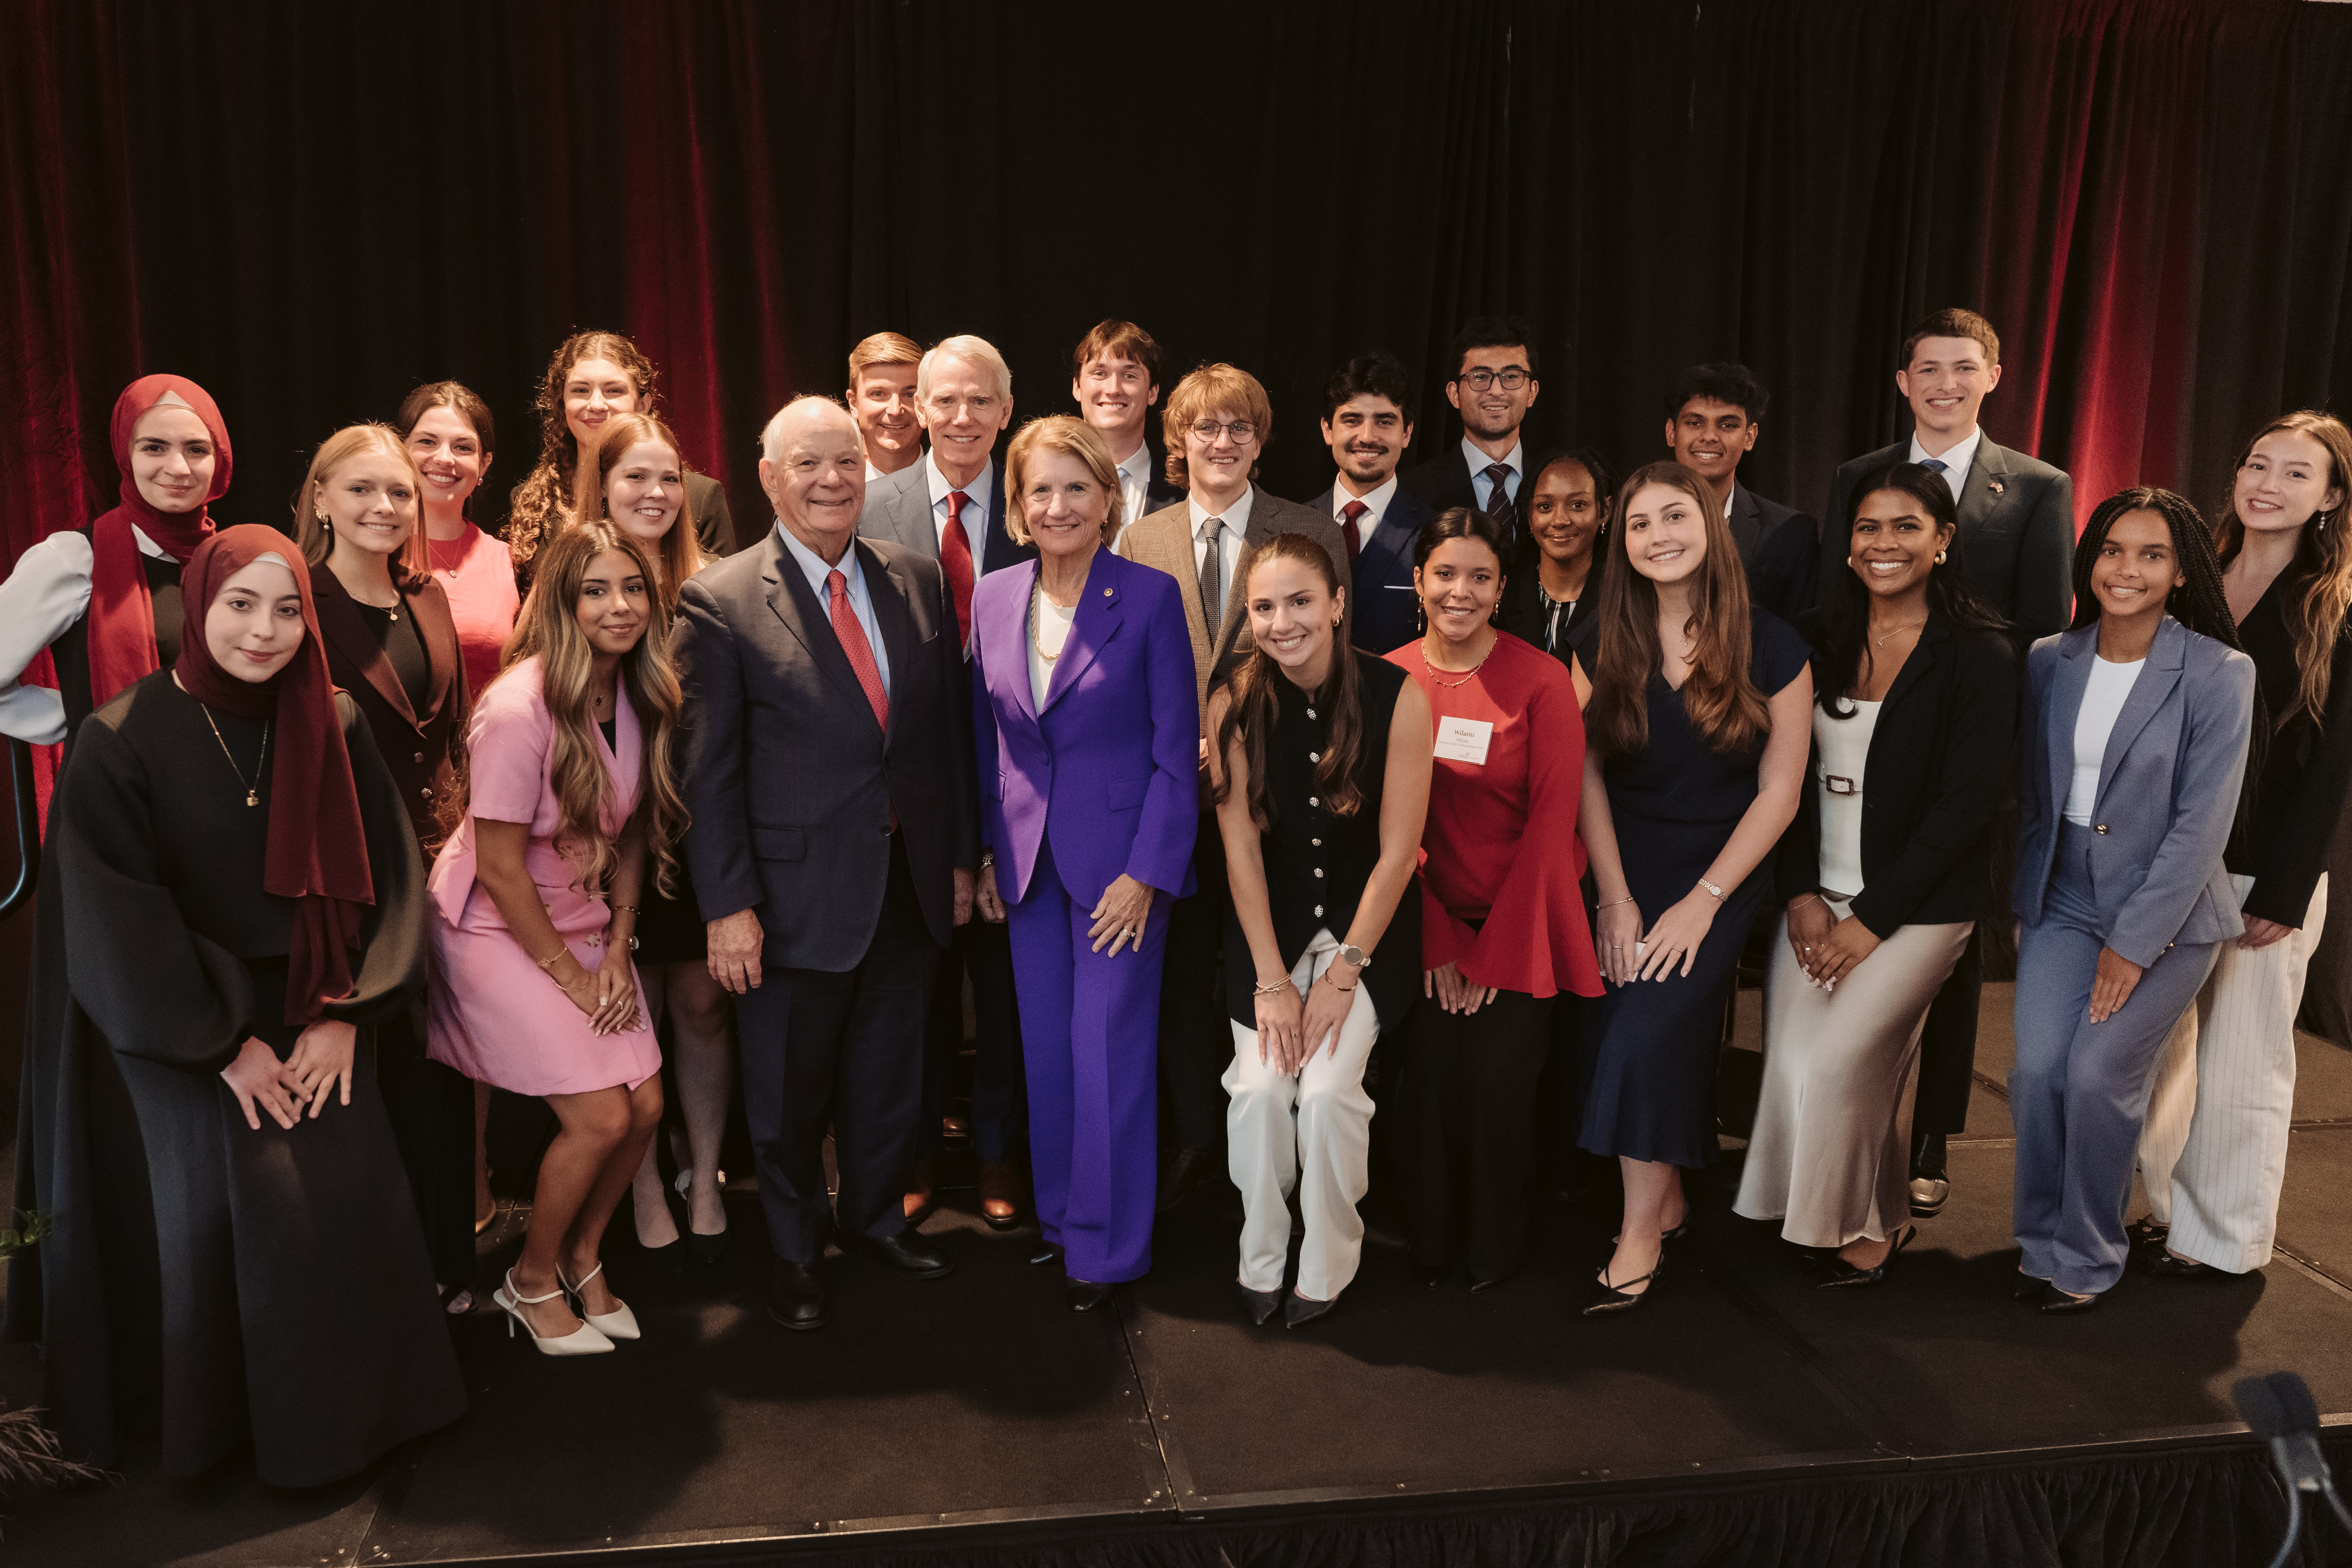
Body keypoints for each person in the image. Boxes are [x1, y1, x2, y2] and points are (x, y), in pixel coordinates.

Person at [10, 524, 464, 1482]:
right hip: (174, 1017)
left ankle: (354, 1420)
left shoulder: (331, 719)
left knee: (342, 1182)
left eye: (289, 609)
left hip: (316, 1001)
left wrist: (347, 1014)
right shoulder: (119, 736)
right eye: (241, 606)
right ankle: (226, 1431)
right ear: (199, 608)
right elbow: (115, 920)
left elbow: (389, 877)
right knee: (253, 1191)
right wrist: (225, 1047)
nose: (265, 631)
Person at [677, 397, 976, 1332]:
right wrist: (727, 908)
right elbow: (707, 775)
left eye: (846, 462)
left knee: (890, 1076)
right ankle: (797, 1254)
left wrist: (961, 860)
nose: (832, 480)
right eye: (808, 464)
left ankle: (876, 1217)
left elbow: (943, 744)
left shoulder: (919, 579)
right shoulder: (720, 599)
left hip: (908, 882)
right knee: (789, 1095)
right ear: (769, 478)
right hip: (789, 898)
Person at [1733, 465, 2016, 1285]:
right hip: (1814, 894)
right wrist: (1799, 894)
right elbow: (1777, 778)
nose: (1882, 543)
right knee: (1793, 1061)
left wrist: (1870, 919)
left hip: (1920, 907)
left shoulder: (1981, 653)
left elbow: (1966, 808)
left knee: (1843, 1061)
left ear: (1942, 541)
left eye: (1904, 527)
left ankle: (1865, 1223)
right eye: (1866, 527)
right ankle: (1870, 1214)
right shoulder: (1810, 638)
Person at [1823, 308, 2076, 1218]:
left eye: (1962, 368)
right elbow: (1836, 601)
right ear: (1903, 381)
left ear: (1992, 377)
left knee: (1956, 952)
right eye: (1927, 368)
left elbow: (2046, 632)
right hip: (1870, 732)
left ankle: (1932, 1134)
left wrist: (2009, 770)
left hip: (1976, 747)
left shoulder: (2038, 487)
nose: (1944, 383)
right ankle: (1853, 1123)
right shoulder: (1860, 478)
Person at [426, 522, 680, 1354]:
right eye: (596, 590)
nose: (619, 606)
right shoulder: (516, 707)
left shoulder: (638, 689)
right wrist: (573, 981)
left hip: (582, 924)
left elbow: (636, 831)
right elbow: (498, 865)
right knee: (602, 1116)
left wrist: (617, 947)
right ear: (563, 603)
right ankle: (529, 1281)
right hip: (493, 929)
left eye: (633, 588)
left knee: (645, 1105)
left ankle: (580, 1255)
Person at [2010, 488, 2256, 1313]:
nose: (2127, 568)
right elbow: (2035, 798)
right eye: (2113, 549)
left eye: (2151, 554)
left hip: (2171, 912)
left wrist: (2132, 943)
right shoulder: (2050, 657)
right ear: (2090, 559)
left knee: (2096, 1076)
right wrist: (2027, 899)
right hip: (2062, 898)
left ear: (2181, 571)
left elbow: (2200, 827)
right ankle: (2040, 1236)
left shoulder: (2221, 671)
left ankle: (2087, 1252)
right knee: (2038, 1070)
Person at [971, 416, 1197, 1309]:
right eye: (1040, 491)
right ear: (1018, 508)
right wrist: (990, 853)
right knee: (1050, 1058)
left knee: (1107, 1054)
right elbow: (987, 737)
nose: (1058, 506)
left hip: (1120, 871)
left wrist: (1147, 875)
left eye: (1077, 488)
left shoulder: (1146, 597)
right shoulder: (993, 596)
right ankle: (1064, 1225)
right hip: (1027, 867)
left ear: (1109, 498)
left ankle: (1107, 1253)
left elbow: (1177, 754)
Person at [1578, 462, 1813, 1316]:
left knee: (1646, 1034)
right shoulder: (1602, 634)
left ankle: (1639, 1231)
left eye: (1674, 517)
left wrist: (1703, 901)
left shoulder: (1775, 643)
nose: (1658, 536)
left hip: (1722, 869)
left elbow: (1782, 794)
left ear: (1710, 526)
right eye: (1639, 525)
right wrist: (1613, 894)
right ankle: (1668, 1199)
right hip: (1623, 863)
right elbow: (1585, 779)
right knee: (1625, 1031)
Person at [1115, 364, 1349, 1212]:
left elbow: (1317, 651)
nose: (1223, 443)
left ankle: (1276, 1142)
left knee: (1268, 959)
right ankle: (1195, 1143)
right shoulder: (1141, 536)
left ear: (1261, 438)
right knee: (1181, 976)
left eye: (1239, 428)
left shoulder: (1304, 524)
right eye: (1205, 429)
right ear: (1178, 441)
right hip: (1171, 790)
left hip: (1275, 785)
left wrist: (1228, 717)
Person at [2138, 413, 2352, 1280]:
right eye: (2258, 463)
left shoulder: (2333, 606)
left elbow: (2334, 764)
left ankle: (2220, 1241)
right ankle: (2163, 1209)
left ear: (2332, 497)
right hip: (2165, 857)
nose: (2268, 483)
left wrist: (2284, 892)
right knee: (2155, 1051)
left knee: (2241, 1059)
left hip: (2266, 866)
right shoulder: (2193, 580)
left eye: (2296, 474)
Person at [1213, 534, 1431, 1325]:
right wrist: (1272, 982)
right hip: (1264, 939)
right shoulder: (1232, 701)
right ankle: (1261, 1251)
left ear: (1337, 603)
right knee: (1264, 1091)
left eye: (1300, 600)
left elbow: (1398, 854)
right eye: (1264, 607)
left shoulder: (1398, 693)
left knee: (1334, 1090)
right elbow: (1239, 850)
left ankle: (1329, 1258)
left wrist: (1343, 975)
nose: (1282, 621)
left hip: (1362, 938)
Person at [1387, 507, 1603, 1290]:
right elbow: (1386, 833)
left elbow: (1553, 827)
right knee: (1434, 1076)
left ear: (1501, 586)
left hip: (1524, 919)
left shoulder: (1541, 680)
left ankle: (1493, 1248)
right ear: (1417, 581)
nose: (1460, 590)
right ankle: (1429, 1241)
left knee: (1496, 1084)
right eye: (1444, 573)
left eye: (1480, 576)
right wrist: (1440, 940)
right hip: (1421, 917)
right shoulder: (1388, 675)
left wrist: (1489, 952)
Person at [293, 424, 477, 1311]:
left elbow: (453, 737)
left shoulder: (429, 595)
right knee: (371, 1080)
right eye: (362, 490)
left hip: (446, 870)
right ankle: (381, 1285)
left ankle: (447, 1265)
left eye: (398, 493)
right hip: (355, 877)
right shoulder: (296, 604)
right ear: (320, 497)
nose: (384, 508)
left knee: (438, 1075)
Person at [855, 334, 1032, 1223]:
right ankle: (917, 1153)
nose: (963, 418)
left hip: (1016, 786)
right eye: (945, 401)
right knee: (916, 994)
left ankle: (998, 1155)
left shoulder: (1042, 502)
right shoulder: (866, 503)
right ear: (917, 410)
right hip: (910, 793)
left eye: (982, 402)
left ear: (1007, 411)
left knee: (1002, 992)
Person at [565, 414, 738, 1271]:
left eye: (670, 478)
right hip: (604, 842)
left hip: (700, 834)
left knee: (702, 1006)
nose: (656, 495)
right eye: (636, 478)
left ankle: (703, 1174)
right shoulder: (577, 578)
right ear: (603, 486)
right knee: (626, 1014)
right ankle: (639, 1183)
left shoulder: (715, 586)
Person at [398, 380, 519, 1241]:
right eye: (428, 440)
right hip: (383, 801)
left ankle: (471, 1179)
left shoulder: (503, 558)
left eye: (463, 446)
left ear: (483, 467)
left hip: (481, 808)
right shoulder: (361, 547)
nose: (445, 458)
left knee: (466, 1000)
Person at [0, 374, 230, 749]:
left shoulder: (230, 561)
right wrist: (84, 720)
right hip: (111, 792)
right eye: (154, 448)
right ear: (126, 454)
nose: (179, 468)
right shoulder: (74, 559)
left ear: (220, 459)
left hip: (218, 789)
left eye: (196, 449)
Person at [506, 329, 739, 583]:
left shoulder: (699, 497)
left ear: (642, 405)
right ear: (562, 404)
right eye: (580, 391)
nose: (596, 405)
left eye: (614, 391)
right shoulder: (530, 500)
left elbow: (726, 600)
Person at [1305, 351, 1434, 655]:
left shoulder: (1435, 533)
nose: (1367, 436)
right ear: (1327, 429)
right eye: (1352, 420)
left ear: (1407, 433)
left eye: (1384, 422)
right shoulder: (1294, 525)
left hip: (1400, 700)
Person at [1663, 364, 1816, 621]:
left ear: (1750, 436)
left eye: (1727, 425)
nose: (1709, 436)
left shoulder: (1791, 533)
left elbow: (1797, 639)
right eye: (1694, 422)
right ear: (1672, 432)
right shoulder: (1636, 522)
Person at [1399, 315, 1541, 547]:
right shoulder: (1410, 492)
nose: (1496, 390)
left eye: (1512, 376)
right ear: (1454, 394)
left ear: (1532, 392)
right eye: (1480, 377)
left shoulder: (1550, 483)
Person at [1496, 447, 1617, 680]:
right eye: (1545, 507)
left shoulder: (1625, 596)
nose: (1560, 520)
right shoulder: (1502, 593)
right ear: (1529, 514)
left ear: (1605, 511)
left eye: (1578, 505)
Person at [1071, 318, 1183, 542]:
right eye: (1100, 374)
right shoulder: (1043, 482)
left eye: (1129, 376)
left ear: (1152, 392)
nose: (1113, 389)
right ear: (1077, 387)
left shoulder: (1185, 491)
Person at [849, 331, 925, 480]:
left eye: (909, 395)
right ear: (854, 404)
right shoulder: (832, 490)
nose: (895, 411)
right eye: (879, 394)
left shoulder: (955, 489)